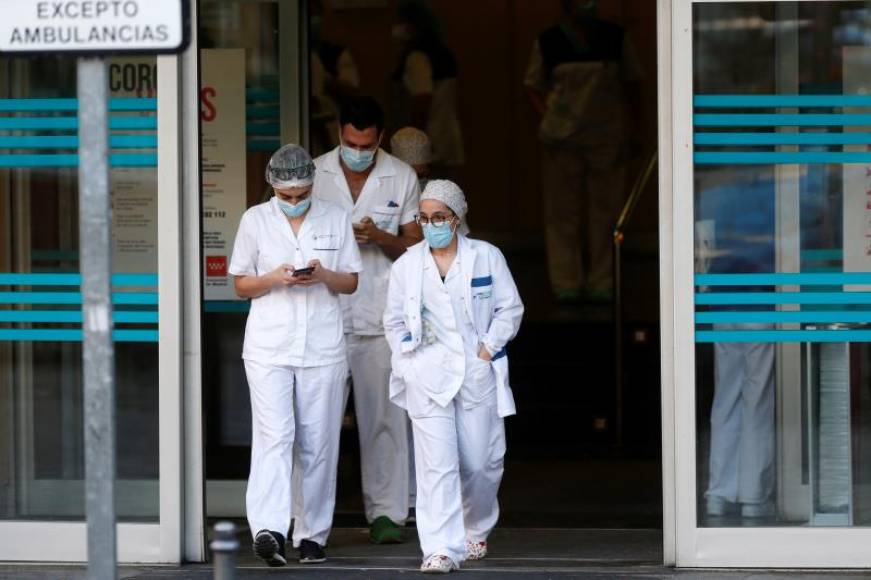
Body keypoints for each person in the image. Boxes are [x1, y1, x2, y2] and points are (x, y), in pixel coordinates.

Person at [229, 144, 362, 566]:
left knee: (318, 441)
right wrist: (273, 278)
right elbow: (241, 285)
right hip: (269, 346)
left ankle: (312, 535)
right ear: (272, 186)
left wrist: (323, 275)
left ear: (312, 186)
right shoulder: (255, 220)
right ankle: (270, 529)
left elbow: (351, 282)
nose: (293, 201)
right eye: (285, 195)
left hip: (322, 345)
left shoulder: (335, 217)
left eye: (301, 194)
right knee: (274, 436)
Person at [384, 180, 524, 573]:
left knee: (481, 463)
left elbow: (510, 308)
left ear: (456, 218)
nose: (431, 225)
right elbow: (393, 321)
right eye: (424, 218)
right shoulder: (407, 265)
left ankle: (474, 529)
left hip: (475, 371)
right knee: (436, 467)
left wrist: (487, 350)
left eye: (439, 217)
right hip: (426, 374)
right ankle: (440, 548)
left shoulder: (486, 257)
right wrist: (407, 363)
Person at [312, 96, 423, 544]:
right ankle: (309, 522)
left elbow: (417, 245)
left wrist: (379, 236)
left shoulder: (402, 175)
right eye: (351, 142)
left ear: (380, 137)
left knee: (384, 420)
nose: (358, 151)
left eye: (367, 144)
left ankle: (387, 515)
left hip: (380, 314)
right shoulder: (315, 173)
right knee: (317, 424)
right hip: (325, 314)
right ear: (339, 132)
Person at [524, 0, 642, 304]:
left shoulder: (615, 37)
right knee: (562, 213)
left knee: (607, 212)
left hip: (606, 136)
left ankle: (603, 281)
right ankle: (567, 282)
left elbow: (633, 84)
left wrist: (635, 129)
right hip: (561, 139)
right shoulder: (549, 41)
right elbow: (532, 84)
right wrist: (549, 117)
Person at [696, 168, 776, 520]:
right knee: (757, 394)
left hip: (724, 301)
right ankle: (753, 495)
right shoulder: (774, 192)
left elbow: (703, 247)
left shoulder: (713, 191)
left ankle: (719, 491)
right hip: (762, 300)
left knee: (726, 394)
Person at [392, 0, 464, 183]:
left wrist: (413, 143)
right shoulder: (442, 53)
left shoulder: (417, 57)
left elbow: (422, 98)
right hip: (445, 139)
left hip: (429, 144)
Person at [391, 126, 470, 237]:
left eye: (420, 176)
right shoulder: (384, 192)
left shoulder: (444, 196)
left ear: (428, 169)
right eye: (409, 176)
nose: (415, 182)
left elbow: (461, 238)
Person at [310, 0, 360, 156]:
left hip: (330, 132)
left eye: (315, 15)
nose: (312, 20)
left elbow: (352, 91)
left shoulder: (334, 54)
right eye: (309, 15)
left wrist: (325, 80)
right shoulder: (284, 55)